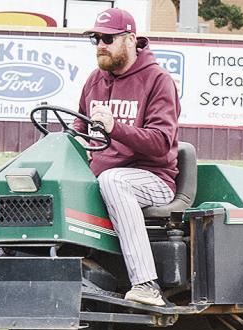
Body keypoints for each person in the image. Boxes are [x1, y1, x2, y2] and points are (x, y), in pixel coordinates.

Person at [74, 8, 180, 307]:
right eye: (95, 38)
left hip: (153, 178)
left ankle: (145, 284)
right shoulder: (94, 80)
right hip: (104, 177)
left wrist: (115, 128)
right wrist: (76, 140)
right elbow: (79, 126)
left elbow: (161, 143)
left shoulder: (158, 80)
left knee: (114, 180)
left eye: (108, 38)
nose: (100, 45)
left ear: (131, 39)